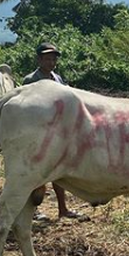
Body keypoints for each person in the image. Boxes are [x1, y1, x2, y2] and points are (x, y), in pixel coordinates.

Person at [23, 42, 85, 221]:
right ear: (39, 59)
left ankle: (63, 209)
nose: (51, 62)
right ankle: (32, 211)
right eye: (47, 58)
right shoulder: (31, 80)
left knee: (58, 173)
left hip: (57, 134)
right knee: (36, 174)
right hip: (37, 134)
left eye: (53, 59)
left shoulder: (58, 79)